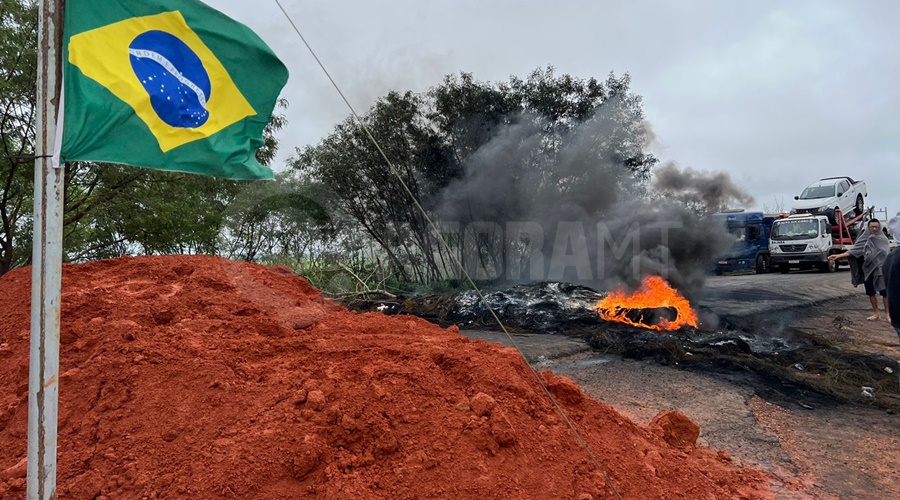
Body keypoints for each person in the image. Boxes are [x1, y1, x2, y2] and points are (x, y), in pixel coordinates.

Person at [829, 218, 891, 321]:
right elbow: (854, 251)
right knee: (871, 292)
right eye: (872, 227)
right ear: (868, 227)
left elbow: (886, 253)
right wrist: (838, 256)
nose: (874, 229)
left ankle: (888, 315)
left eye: (876, 227)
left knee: (884, 292)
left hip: (880, 270)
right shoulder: (864, 238)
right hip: (868, 269)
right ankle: (876, 314)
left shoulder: (883, 239)